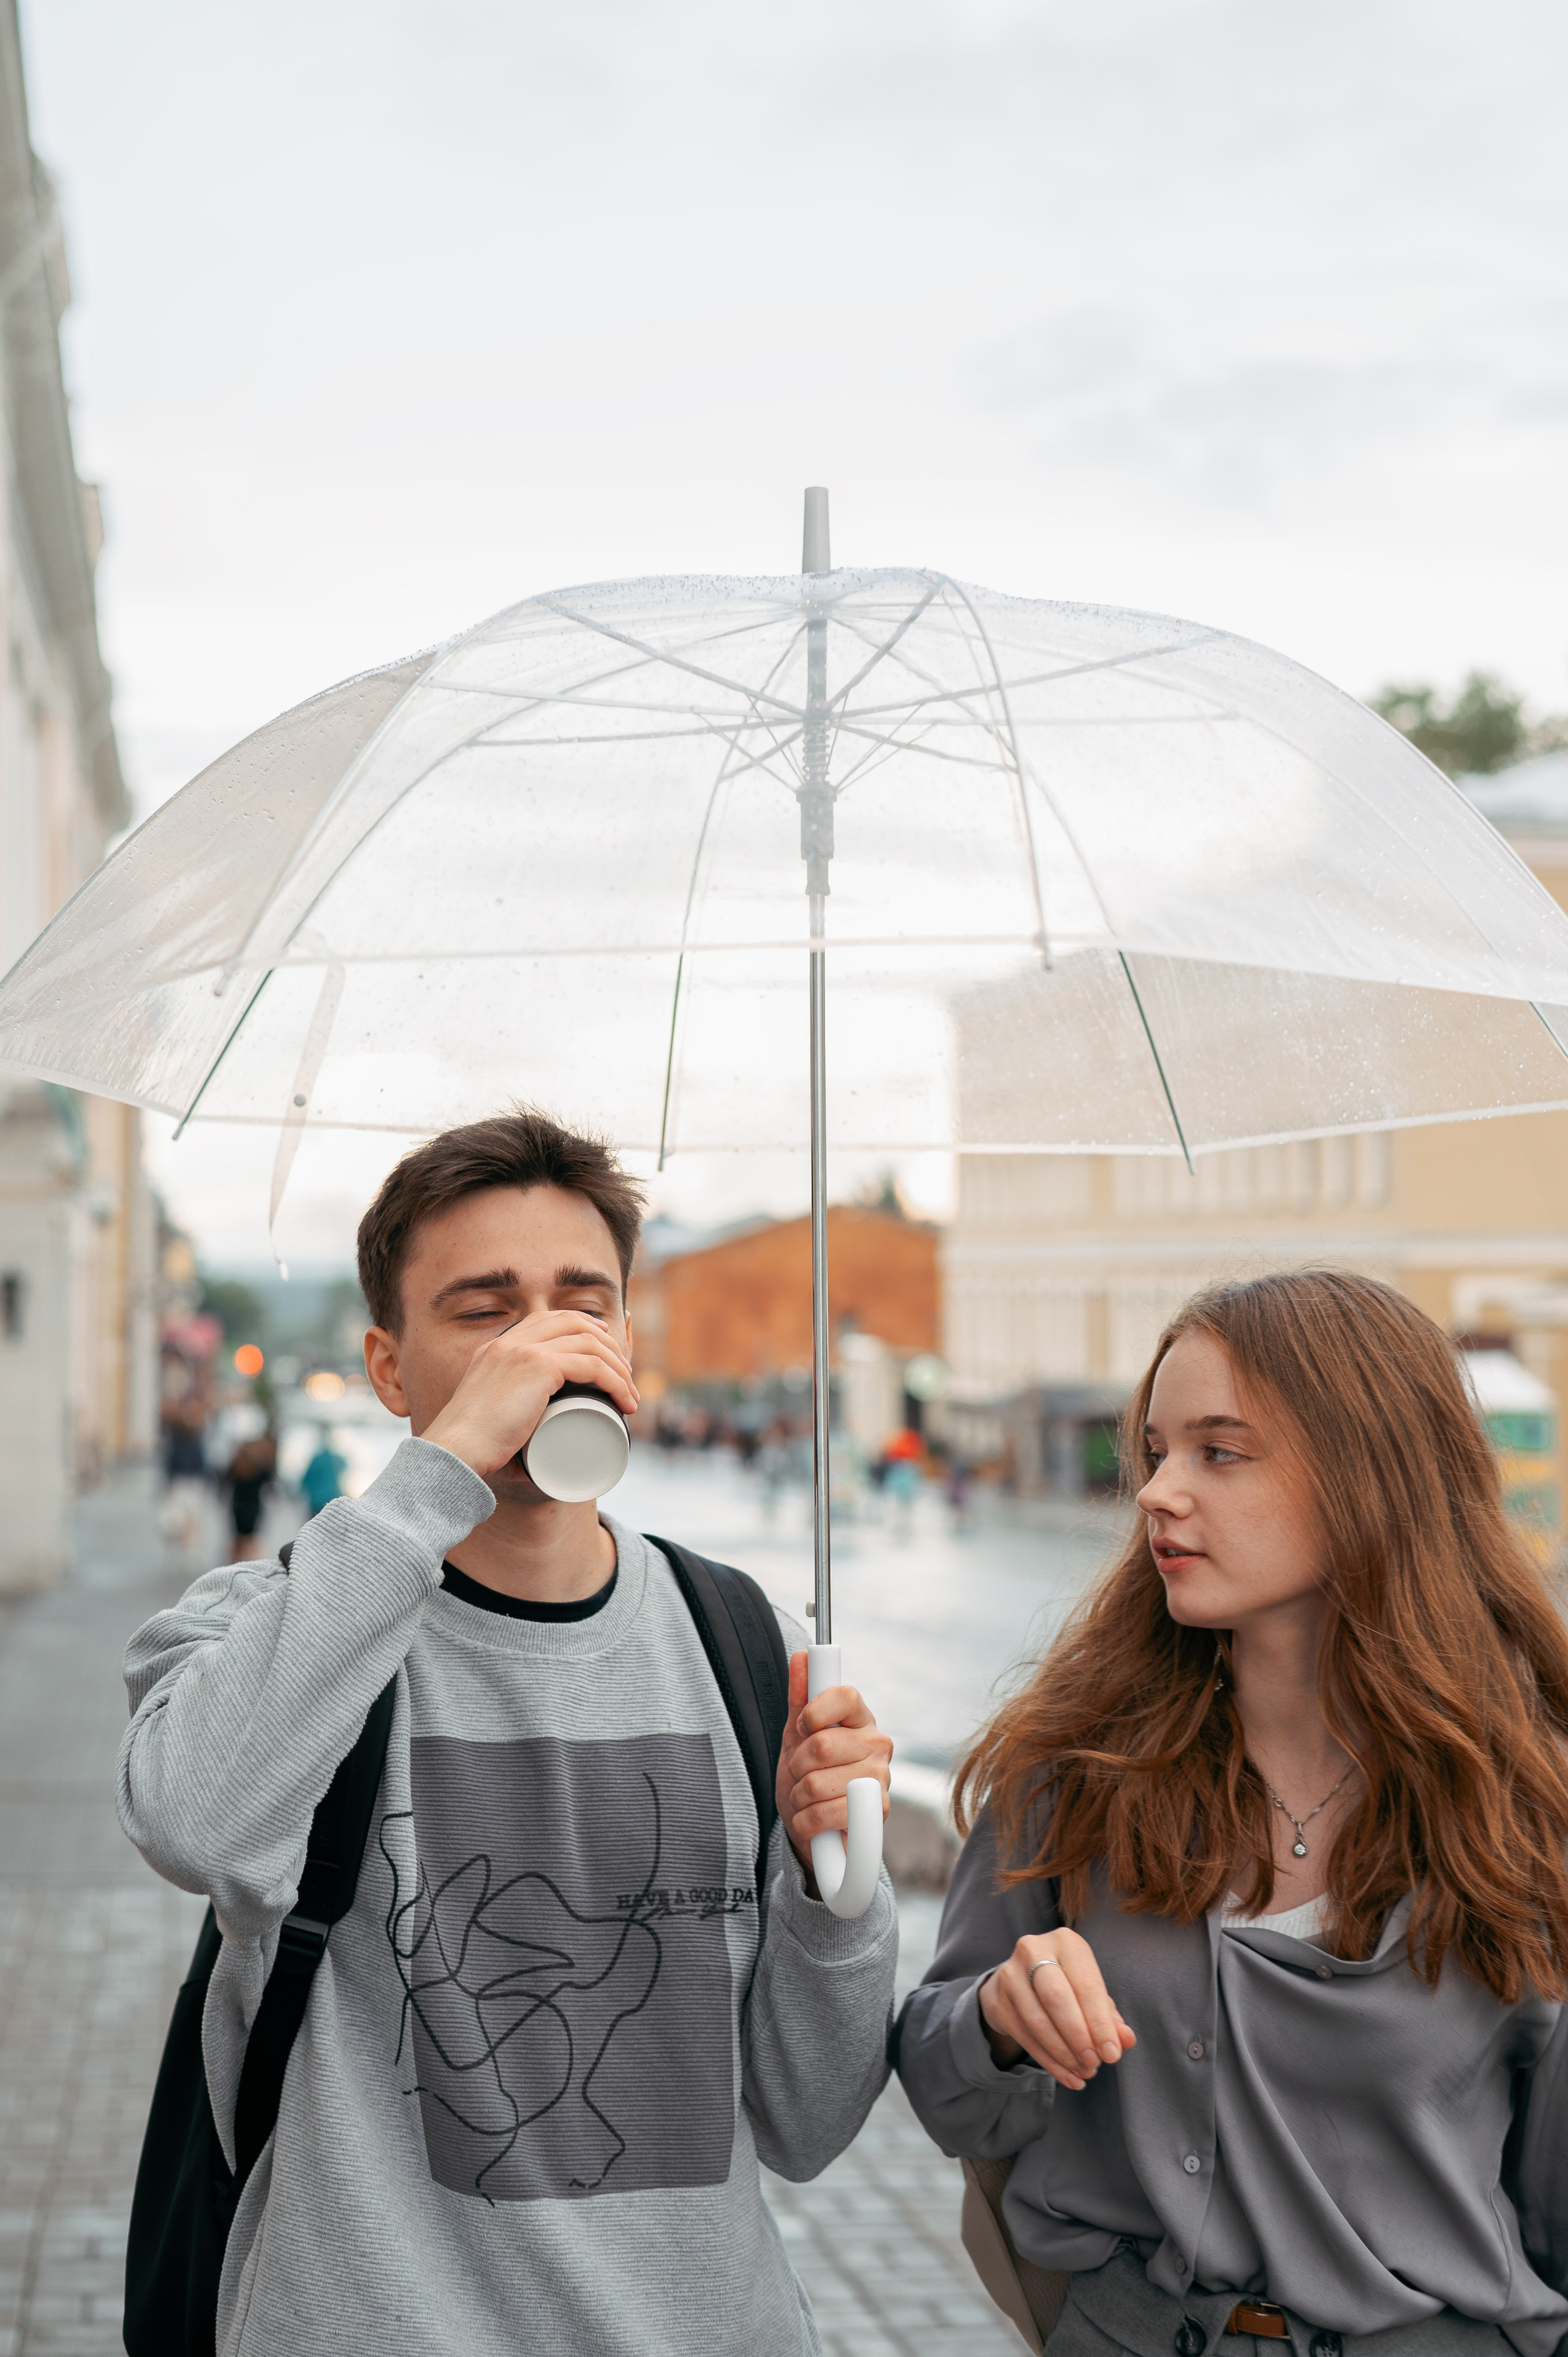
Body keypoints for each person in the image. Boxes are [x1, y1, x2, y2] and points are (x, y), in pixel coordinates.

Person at [118, 1110, 895, 2357]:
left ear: (626, 1340)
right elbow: (190, 1816)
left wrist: (835, 1889)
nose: (544, 1343)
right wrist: (438, 1475)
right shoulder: (269, 1624)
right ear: (388, 1368)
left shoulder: (735, 1636)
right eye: (485, 1310)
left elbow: (810, 2118)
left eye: (580, 1302)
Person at [896, 1269, 1568, 2357]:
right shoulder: (1071, 1771)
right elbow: (941, 2086)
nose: (1159, 1490)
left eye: (1220, 1450)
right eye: (1156, 1449)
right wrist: (996, 2021)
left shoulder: (1528, 1808)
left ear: (1370, 1476)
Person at [220, 1427, 275, 1561]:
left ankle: (235, 1561)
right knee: (251, 1538)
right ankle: (249, 1563)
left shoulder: (236, 1466)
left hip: (238, 1505)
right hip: (254, 1506)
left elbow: (224, 1480)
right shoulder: (259, 1467)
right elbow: (270, 1479)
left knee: (238, 1537)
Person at [298, 1427, 347, 1518]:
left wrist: (298, 1494)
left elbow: (305, 1481)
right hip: (332, 1501)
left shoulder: (317, 1460)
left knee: (314, 1529)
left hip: (317, 1503)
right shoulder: (336, 1460)